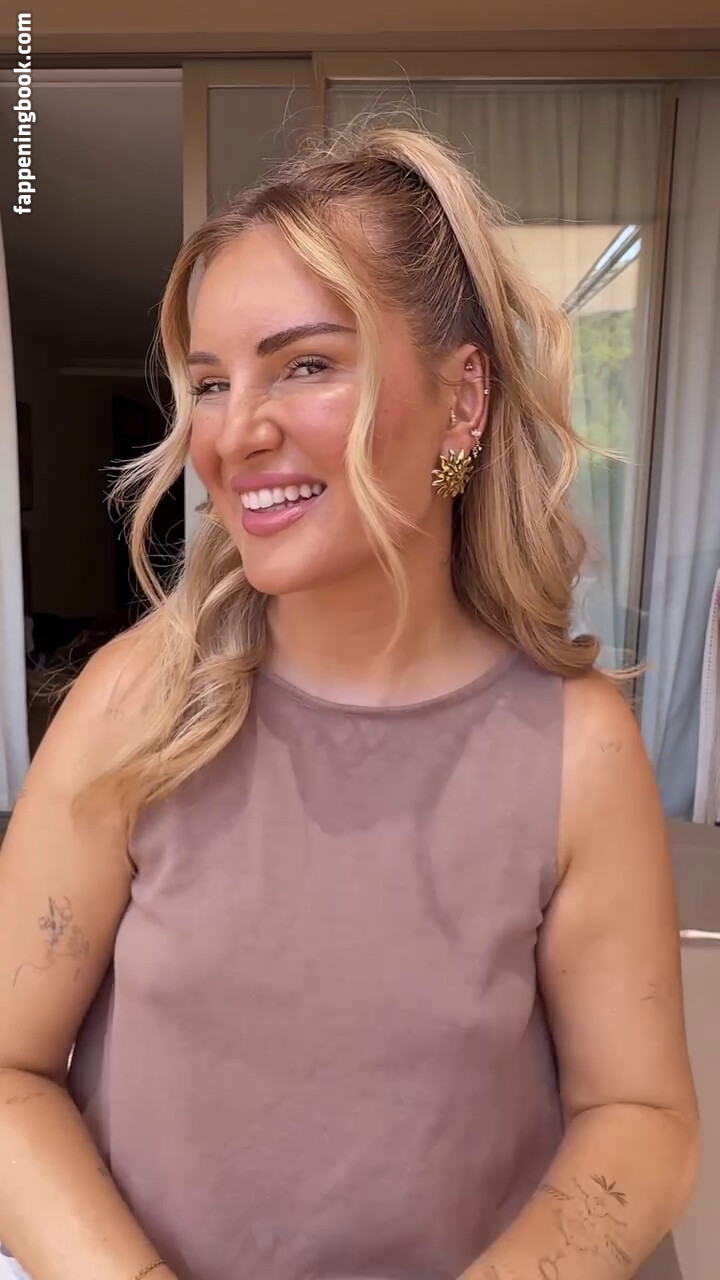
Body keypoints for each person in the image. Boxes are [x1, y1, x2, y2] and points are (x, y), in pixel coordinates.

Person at [0, 122, 699, 1280]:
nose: (236, 431)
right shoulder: (133, 702)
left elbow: (641, 1115)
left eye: (307, 365)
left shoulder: (576, 749)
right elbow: (10, 1071)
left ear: (463, 398)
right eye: (212, 384)